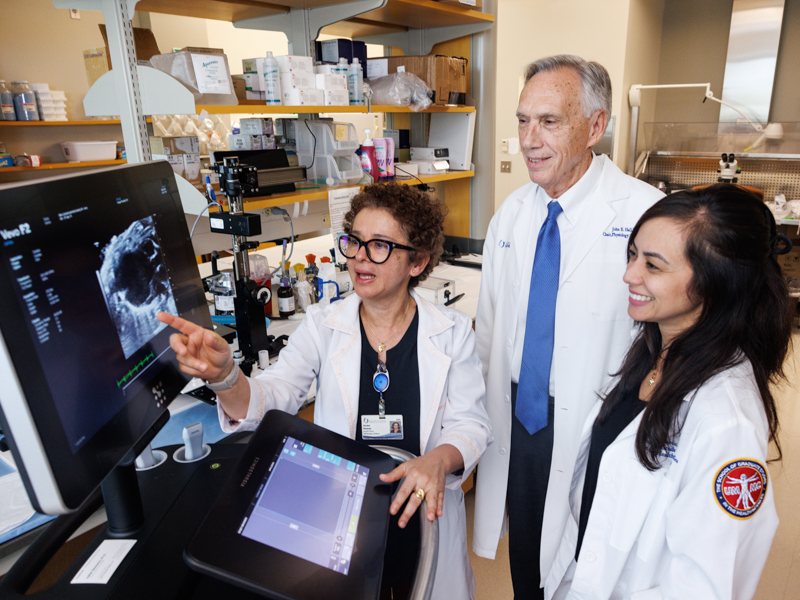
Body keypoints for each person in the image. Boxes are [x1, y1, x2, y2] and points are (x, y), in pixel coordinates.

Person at [158, 182, 491, 600]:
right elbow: (273, 396)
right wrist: (226, 377)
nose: (359, 258)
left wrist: (439, 460)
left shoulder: (452, 332)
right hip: (342, 519)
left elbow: (471, 424)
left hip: (421, 512)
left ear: (418, 261)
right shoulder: (323, 324)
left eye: (381, 246)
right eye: (354, 242)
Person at [471, 54, 664, 598]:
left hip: (606, 423)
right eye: (523, 120)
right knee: (528, 561)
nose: (530, 139)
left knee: (595, 567)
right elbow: (490, 331)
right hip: (523, 421)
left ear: (595, 126)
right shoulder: (511, 214)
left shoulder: (646, 216)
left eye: (550, 121)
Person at [544, 184, 792, 599]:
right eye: (632, 254)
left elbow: (704, 587)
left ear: (717, 283)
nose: (629, 274)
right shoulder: (652, 350)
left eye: (653, 266)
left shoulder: (725, 418)